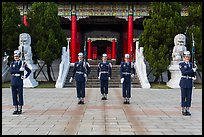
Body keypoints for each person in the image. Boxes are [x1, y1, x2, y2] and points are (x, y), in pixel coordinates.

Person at [9, 50, 31, 115]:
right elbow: (11, 71)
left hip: (19, 80)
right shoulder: (12, 63)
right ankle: (15, 108)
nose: (16, 57)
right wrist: (19, 70)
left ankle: (20, 108)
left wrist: (25, 76)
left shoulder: (22, 63)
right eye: (15, 56)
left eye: (17, 56)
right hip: (13, 80)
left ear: (19, 57)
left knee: (20, 94)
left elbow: (29, 71)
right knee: (14, 95)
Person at [179, 51, 197, 116]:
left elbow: (192, 73)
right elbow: (184, 72)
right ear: (183, 57)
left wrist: (194, 74)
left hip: (189, 82)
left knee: (189, 97)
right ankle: (183, 109)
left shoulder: (191, 64)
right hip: (184, 81)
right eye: (186, 57)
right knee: (183, 96)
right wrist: (192, 70)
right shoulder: (181, 64)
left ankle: (187, 109)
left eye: (188, 57)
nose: (187, 58)